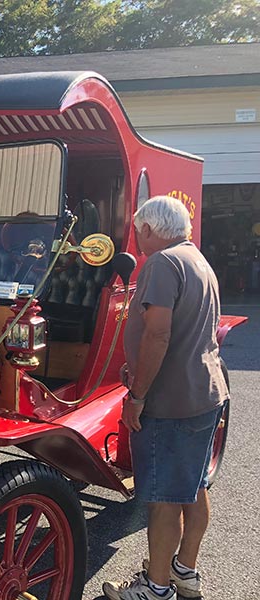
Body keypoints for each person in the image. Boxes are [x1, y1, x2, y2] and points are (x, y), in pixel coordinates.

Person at [102, 196, 229, 600]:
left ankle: (156, 588)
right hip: (204, 393)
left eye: (139, 231)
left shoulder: (161, 262)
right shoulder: (197, 260)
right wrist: (136, 365)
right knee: (192, 487)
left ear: (151, 230)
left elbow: (159, 333)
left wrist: (137, 394)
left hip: (170, 401)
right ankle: (184, 571)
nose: (137, 239)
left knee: (162, 500)